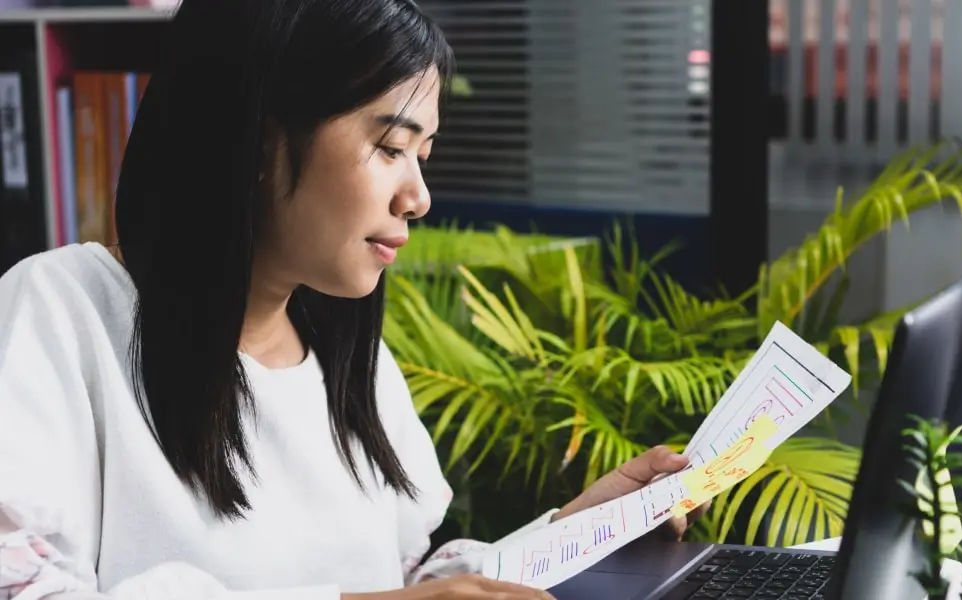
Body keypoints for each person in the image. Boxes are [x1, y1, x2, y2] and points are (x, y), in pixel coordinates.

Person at [0, 0, 708, 598]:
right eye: (392, 147)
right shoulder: (63, 312)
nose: (418, 197)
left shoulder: (345, 354)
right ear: (260, 140)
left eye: (423, 157)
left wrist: (579, 532)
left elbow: (405, 582)